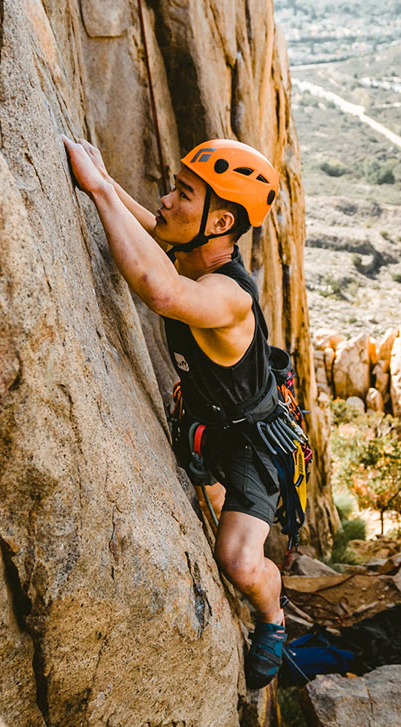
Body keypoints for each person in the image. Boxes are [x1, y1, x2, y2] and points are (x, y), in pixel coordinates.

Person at [62, 134, 289, 689]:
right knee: (203, 488)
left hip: (253, 440)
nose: (165, 200)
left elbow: (161, 292)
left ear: (217, 224)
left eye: (183, 194)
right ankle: (214, 493)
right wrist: (104, 179)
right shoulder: (189, 248)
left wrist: (98, 189)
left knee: (238, 561)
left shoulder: (229, 296)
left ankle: (274, 616)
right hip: (205, 420)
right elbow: (150, 228)